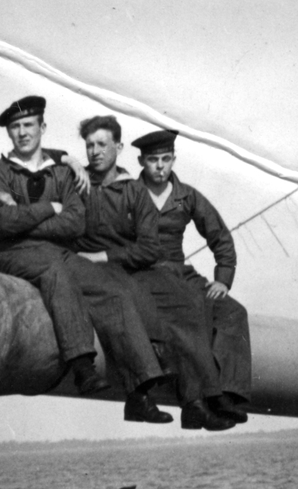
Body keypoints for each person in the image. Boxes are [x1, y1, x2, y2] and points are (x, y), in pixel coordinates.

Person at [0, 96, 173, 423]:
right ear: (9, 133)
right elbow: (4, 223)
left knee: (111, 288)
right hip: (13, 253)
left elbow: (74, 222)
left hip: (58, 251)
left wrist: (27, 217)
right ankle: (83, 366)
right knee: (56, 273)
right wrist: (49, 207)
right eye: (15, 127)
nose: (22, 133)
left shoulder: (61, 173)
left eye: (28, 125)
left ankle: (139, 392)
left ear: (42, 127)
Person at [72, 115, 236, 431]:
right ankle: (190, 401)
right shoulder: (75, 182)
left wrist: (106, 255)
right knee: (161, 310)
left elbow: (148, 248)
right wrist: (68, 160)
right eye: (89, 145)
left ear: (118, 148)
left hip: (135, 266)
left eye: (102, 144)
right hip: (106, 272)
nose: (95, 152)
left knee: (192, 306)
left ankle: (200, 401)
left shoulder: (133, 190)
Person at [132, 128, 251, 423]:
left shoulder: (186, 196)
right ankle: (199, 402)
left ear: (174, 159)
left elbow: (220, 237)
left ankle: (228, 394)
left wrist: (223, 279)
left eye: (166, 159)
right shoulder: (127, 195)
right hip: (144, 274)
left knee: (233, 312)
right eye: (153, 160)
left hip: (180, 271)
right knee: (190, 311)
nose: (160, 167)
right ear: (141, 161)